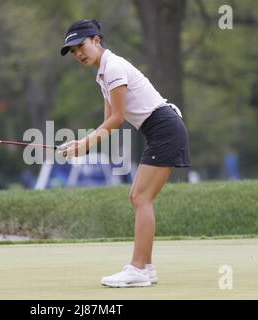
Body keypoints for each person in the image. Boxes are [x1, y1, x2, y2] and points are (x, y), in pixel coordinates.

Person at [58, 19, 191, 288]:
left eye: (80, 46)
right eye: (73, 51)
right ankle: (146, 268)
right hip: (159, 130)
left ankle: (139, 268)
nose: (78, 54)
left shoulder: (114, 67)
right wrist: (78, 146)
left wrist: (84, 144)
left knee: (140, 197)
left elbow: (117, 118)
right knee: (139, 197)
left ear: (97, 40)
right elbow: (108, 124)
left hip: (164, 128)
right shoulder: (103, 74)